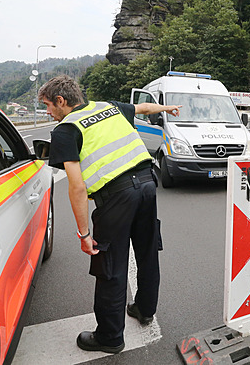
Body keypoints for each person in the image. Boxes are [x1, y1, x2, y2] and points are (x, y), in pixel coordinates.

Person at [38, 75, 181, 354]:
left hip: (117, 197)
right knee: (147, 252)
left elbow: (77, 188)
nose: (47, 112)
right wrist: (167, 109)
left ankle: (110, 337)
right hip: (148, 185)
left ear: (61, 101)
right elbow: (144, 109)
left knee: (110, 268)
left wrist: (83, 234)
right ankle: (144, 309)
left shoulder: (66, 129)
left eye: (47, 105)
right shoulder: (108, 106)